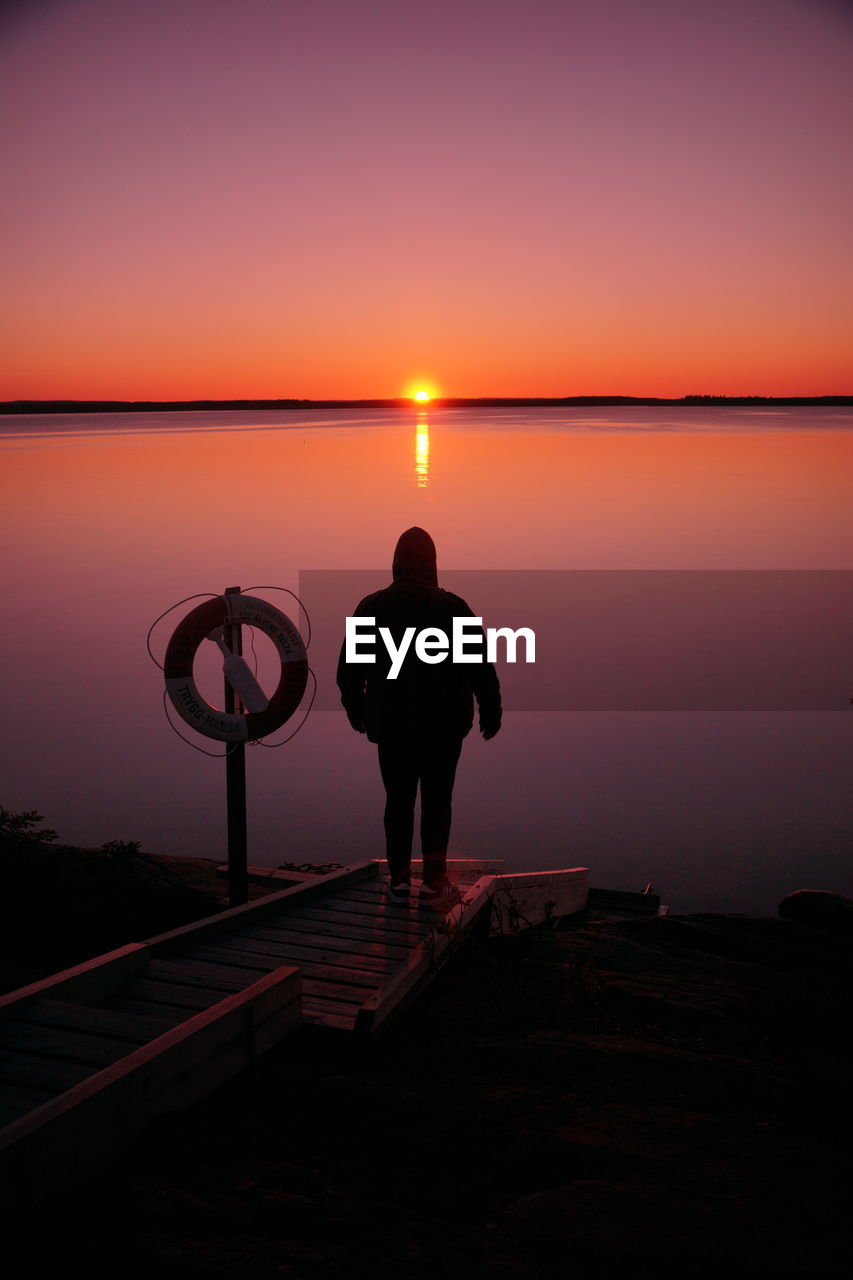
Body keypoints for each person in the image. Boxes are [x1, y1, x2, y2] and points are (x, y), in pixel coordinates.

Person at [337, 527, 502, 909]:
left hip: (391, 724)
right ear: (433, 565)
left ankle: (397, 881)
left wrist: (356, 709)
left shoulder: (372, 606)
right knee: (437, 800)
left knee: (397, 801)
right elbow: (479, 666)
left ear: (395, 563)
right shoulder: (453, 607)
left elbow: (349, 670)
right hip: (443, 726)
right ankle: (432, 882)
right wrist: (491, 710)